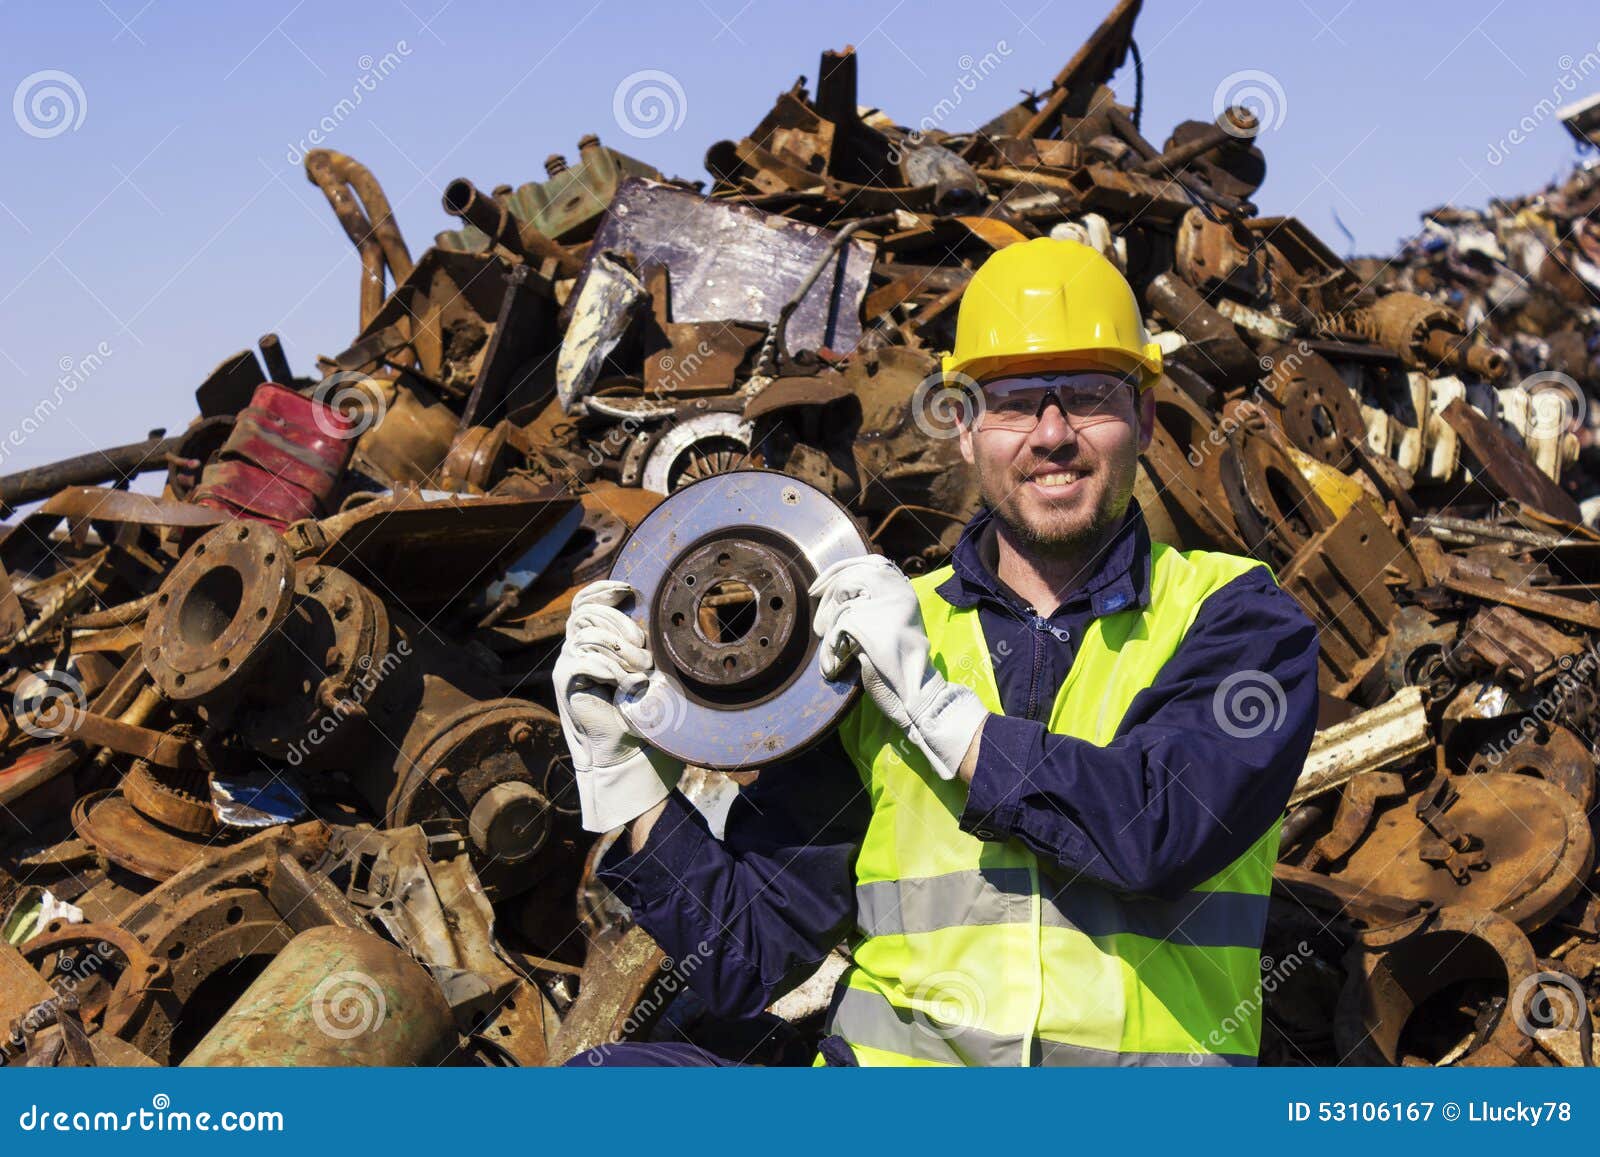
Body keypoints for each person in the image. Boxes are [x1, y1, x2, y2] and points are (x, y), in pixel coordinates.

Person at [555, 237, 1320, 1067]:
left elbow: (1156, 832)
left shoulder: (1238, 619)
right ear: (963, 428)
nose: (1053, 434)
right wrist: (626, 778)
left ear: (1143, 416)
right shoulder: (871, 637)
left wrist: (938, 712)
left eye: (1091, 398)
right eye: (1017, 402)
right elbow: (748, 954)